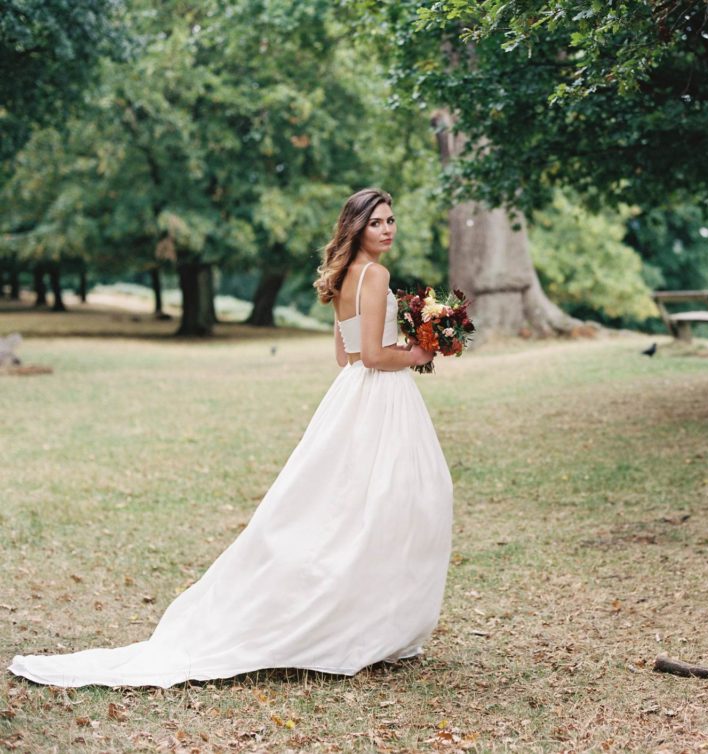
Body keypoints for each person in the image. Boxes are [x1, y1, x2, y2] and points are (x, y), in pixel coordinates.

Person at [8, 188, 453, 688]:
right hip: (378, 397)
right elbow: (371, 356)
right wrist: (416, 352)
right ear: (356, 227)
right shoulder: (376, 276)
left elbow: (344, 355)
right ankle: (365, 622)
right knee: (399, 501)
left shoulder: (344, 276)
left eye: (391, 220)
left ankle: (366, 617)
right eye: (377, 223)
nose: (388, 229)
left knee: (355, 506)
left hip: (351, 395)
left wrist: (412, 339)